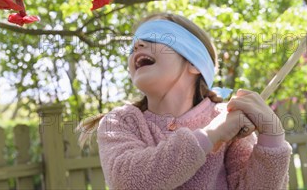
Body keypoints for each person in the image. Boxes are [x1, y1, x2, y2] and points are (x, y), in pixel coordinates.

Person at [79, 12, 291, 190]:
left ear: (194, 63)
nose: (138, 45)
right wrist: (210, 135)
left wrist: (273, 138)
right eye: (134, 45)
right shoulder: (121, 122)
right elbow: (128, 181)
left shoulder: (228, 119)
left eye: (156, 37)